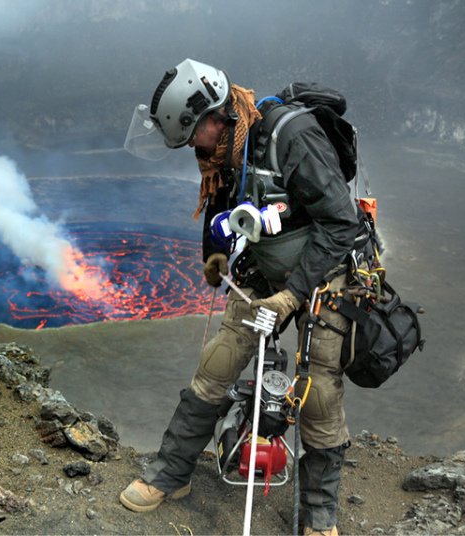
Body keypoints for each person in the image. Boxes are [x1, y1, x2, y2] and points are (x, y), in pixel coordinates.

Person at [120, 59, 362, 536]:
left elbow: (342, 223)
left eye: (192, 134)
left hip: (324, 270)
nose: (192, 146)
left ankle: (318, 516)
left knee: (319, 392)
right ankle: (170, 476)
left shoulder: (291, 138)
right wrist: (216, 256)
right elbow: (221, 208)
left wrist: (292, 297)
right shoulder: (227, 152)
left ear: (215, 116)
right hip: (264, 267)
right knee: (216, 366)